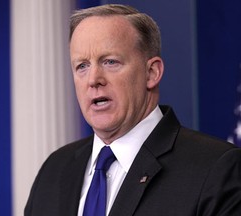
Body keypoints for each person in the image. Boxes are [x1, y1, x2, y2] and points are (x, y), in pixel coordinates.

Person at [25, 4, 241, 216]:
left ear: (152, 73)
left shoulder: (216, 168)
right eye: (82, 66)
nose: (93, 80)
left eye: (110, 62)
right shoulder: (54, 169)